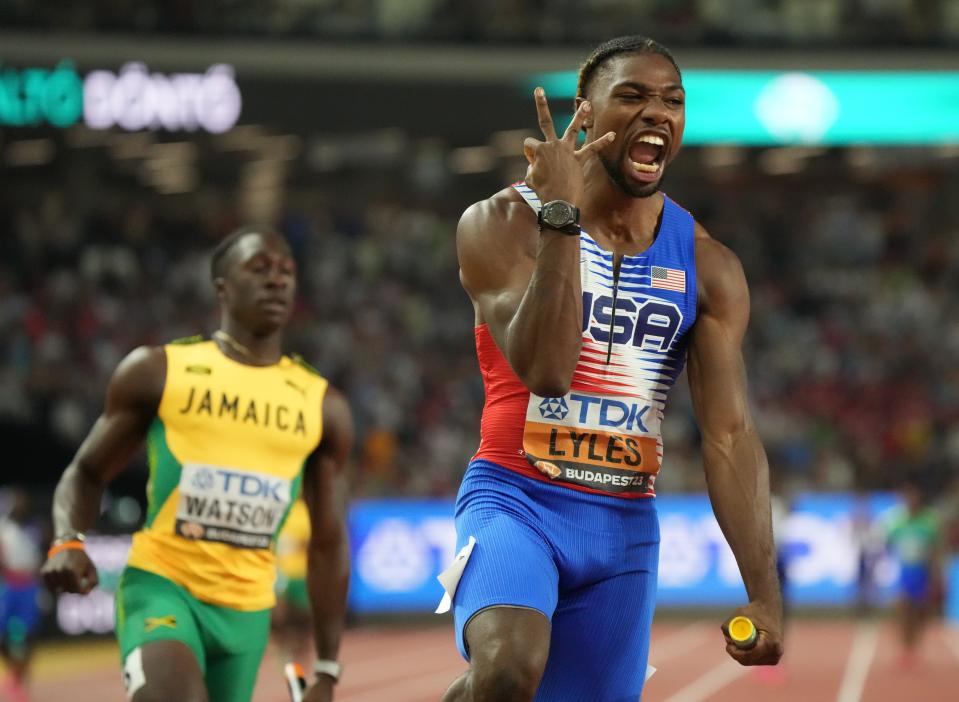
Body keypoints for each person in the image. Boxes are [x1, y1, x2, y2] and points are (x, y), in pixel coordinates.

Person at [441, 35, 783, 702]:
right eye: (631, 95)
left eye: (672, 101)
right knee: (507, 668)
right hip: (515, 499)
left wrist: (764, 593)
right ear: (585, 114)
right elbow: (544, 369)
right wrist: (561, 219)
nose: (656, 112)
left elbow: (729, 435)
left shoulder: (708, 266)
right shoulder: (503, 221)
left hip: (622, 524)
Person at [40, 227, 353, 702]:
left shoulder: (321, 404)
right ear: (222, 286)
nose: (277, 281)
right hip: (164, 587)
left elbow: (328, 542)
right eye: (259, 269)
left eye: (287, 272)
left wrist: (327, 669)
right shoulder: (160, 371)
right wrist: (68, 538)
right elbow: (86, 471)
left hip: (248, 614)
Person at [884, 479, 944, 668]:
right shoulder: (896, 522)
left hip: (922, 573)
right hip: (904, 573)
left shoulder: (929, 521)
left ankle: (914, 645)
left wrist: (936, 575)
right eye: (907, 497)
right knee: (903, 611)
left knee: (919, 613)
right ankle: (905, 648)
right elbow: (888, 544)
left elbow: (936, 550)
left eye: (913, 497)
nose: (910, 500)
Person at [0, 489, 43, 702]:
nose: (21, 507)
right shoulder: (4, 530)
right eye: (17, 503)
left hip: (28, 587)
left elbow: (36, 561)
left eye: (23, 503)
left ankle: (19, 678)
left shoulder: (30, 531)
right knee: (7, 636)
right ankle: (13, 673)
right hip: (9, 587)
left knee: (25, 637)